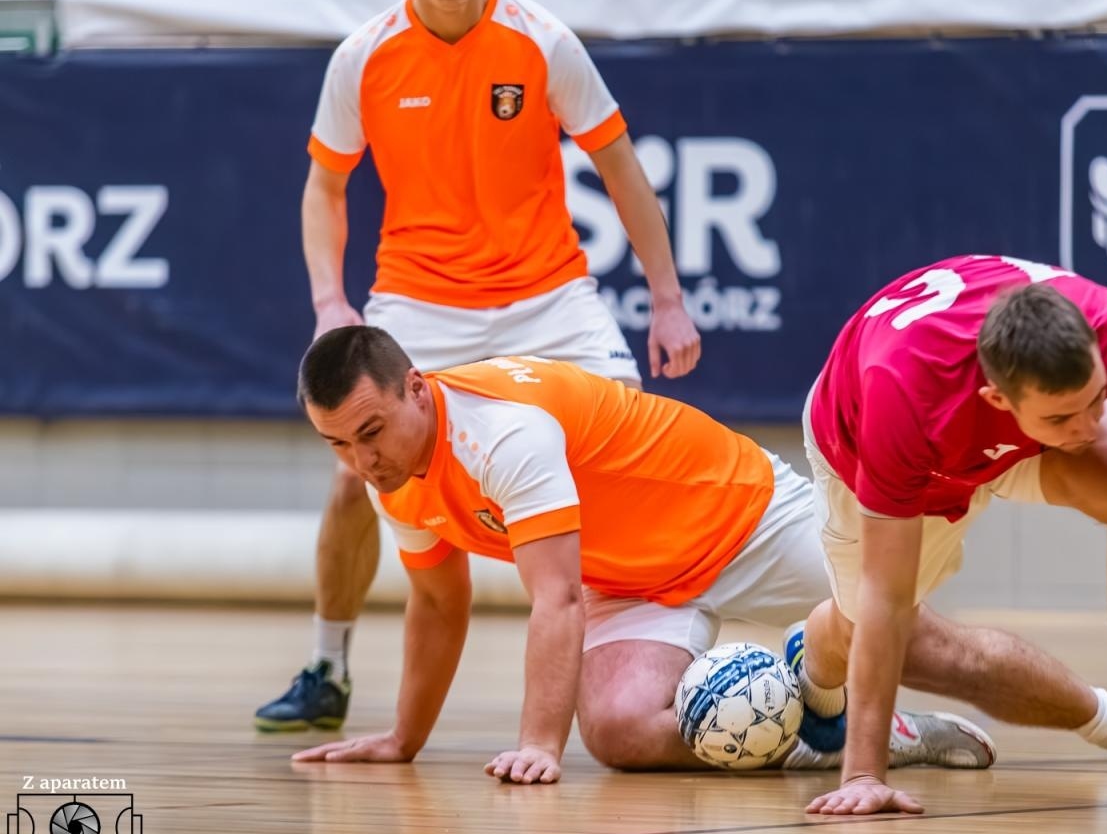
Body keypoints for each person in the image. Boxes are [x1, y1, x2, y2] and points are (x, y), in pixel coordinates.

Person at [255, 0, 701, 731]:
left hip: (549, 297)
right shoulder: (364, 58)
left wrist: (668, 294)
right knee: (355, 476)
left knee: (628, 451)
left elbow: (619, 166)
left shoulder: (542, 40)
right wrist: (328, 305)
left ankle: (658, 638)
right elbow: (325, 186)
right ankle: (326, 665)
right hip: (417, 304)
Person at [287, 326, 1010, 778]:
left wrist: (539, 745)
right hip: (631, 582)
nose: (361, 460)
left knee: (929, 648)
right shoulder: (391, 478)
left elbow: (556, 598)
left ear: (416, 389)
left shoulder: (500, 433)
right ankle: (834, 726)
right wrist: (403, 740)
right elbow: (441, 603)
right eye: (339, 444)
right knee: (620, 731)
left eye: (371, 431)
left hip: (737, 514)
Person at [794, 253, 1107, 815]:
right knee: (872, 626)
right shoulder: (899, 390)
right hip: (871, 451)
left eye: (1098, 398)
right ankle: (816, 670)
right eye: (1065, 417)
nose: (1090, 427)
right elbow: (887, 593)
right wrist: (863, 776)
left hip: (1010, 439)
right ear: (997, 400)